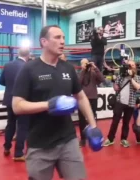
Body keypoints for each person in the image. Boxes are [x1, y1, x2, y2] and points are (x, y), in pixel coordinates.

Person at [12, 25, 102, 180]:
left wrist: (93, 126)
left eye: (63, 38)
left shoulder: (68, 68)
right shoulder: (29, 69)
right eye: (57, 37)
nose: (62, 42)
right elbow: (17, 105)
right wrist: (48, 105)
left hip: (68, 140)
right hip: (40, 144)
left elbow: (80, 97)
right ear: (44, 41)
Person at [0, 47, 30, 161]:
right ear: (28, 54)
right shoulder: (27, 67)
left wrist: (10, 86)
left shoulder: (8, 65)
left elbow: (1, 81)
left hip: (9, 99)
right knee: (22, 126)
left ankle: (7, 147)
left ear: (18, 53)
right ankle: (18, 153)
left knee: (10, 124)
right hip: (22, 100)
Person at [103, 60, 140, 148]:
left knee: (126, 122)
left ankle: (124, 139)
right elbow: (116, 88)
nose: (131, 67)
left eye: (132, 65)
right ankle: (110, 139)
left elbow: (138, 87)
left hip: (130, 102)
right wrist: (114, 79)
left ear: (135, 67)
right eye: (129, 65)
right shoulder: (121, 76)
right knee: (115, 121)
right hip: (119, 101)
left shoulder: (137, 77)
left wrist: (131, 78)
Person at [78, 58, 105, 147]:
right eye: (83, 63)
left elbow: (102, 79)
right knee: (82, 120)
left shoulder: (93, 73)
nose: (86, 65)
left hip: (93, 98)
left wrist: (95, 67)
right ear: (81, 65)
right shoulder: (80, 74)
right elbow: (78, 83)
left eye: (87, 63)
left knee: (92, 118)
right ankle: (83, 139)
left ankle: (92, 137)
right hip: (82, 99)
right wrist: (83, 71)